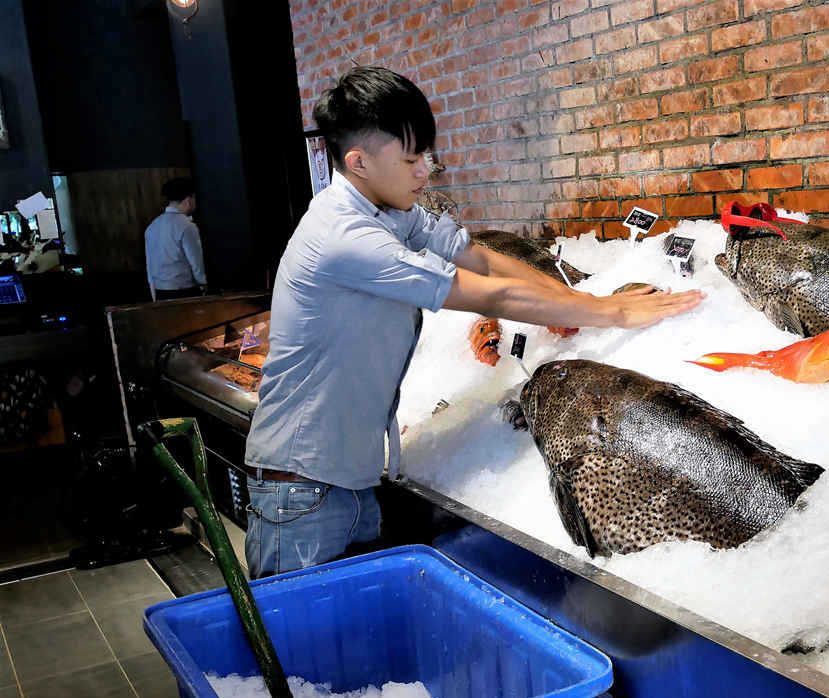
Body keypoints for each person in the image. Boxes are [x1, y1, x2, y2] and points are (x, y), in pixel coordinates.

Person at [242, 67, 702, 578]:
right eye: (412, 158)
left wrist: (573, 300)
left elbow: (478, 259)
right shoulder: (346, 235)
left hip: (345, 480)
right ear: (360, 162)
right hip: (301, 492)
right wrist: (614, 312)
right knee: (301, 651)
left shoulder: (386, 210)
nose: (427, 171)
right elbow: (493, 294)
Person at [144, 177, 206, 300]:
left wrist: (154, 296)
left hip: (160, 292)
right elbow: (196, 263)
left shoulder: (152, 226)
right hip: (185, 293)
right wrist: (204, 285)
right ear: (189, 200)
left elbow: (149, 266)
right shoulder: (187, 226)